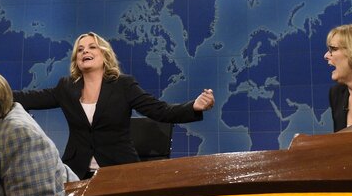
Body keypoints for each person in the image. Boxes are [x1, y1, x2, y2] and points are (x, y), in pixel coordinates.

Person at [13, 32, 215, 179]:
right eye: (80, 50)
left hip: (120, 171)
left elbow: (159, 110)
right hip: (77, 173)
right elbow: (31, 98)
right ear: (76, 59)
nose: (85, 51)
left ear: (104, 55)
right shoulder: (66, 87)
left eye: (92, 47)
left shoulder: (123, 85)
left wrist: (194, 107)